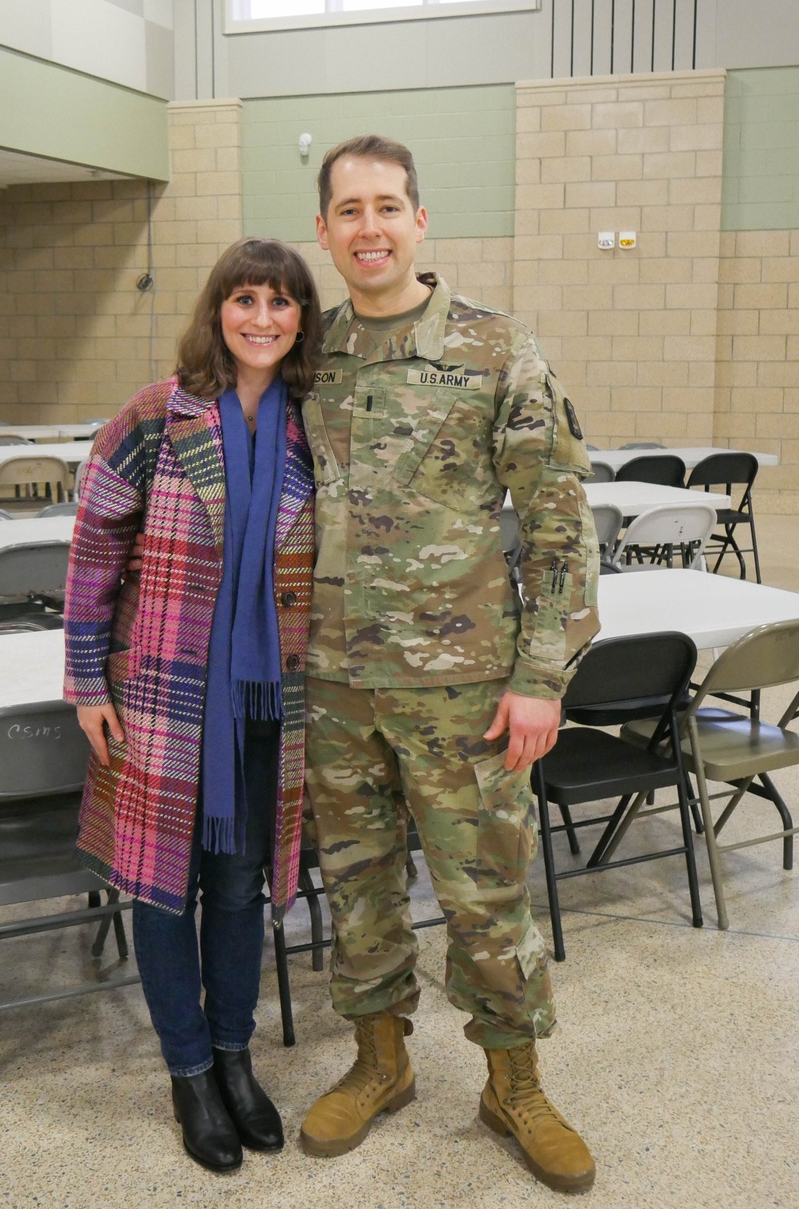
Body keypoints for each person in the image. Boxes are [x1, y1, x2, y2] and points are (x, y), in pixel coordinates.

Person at [298, 135, 601, 1194]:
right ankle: (380, 1063)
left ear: (420, 221)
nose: (369, 227)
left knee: (487, 900)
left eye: (388, 206)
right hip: (336, 689)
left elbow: (559, 522)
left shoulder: (493, 349)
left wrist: (541, 675)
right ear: (325, 230)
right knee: (358, 886)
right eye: (349, 210)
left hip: (467, 689)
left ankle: (511, 1081)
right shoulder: (307, 357)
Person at [62, 238, 320, 1175]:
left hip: (269, 699)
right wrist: (87, 680)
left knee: (242, 882)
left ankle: (235, 1056)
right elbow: (91, 554)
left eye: (282, 302)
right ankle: (187, 1070)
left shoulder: (311, 426)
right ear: (218, 310)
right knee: (162, 882)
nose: (262, 318)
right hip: (166, 695)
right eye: (245, 299)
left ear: (302, 319)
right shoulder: (154, 416)